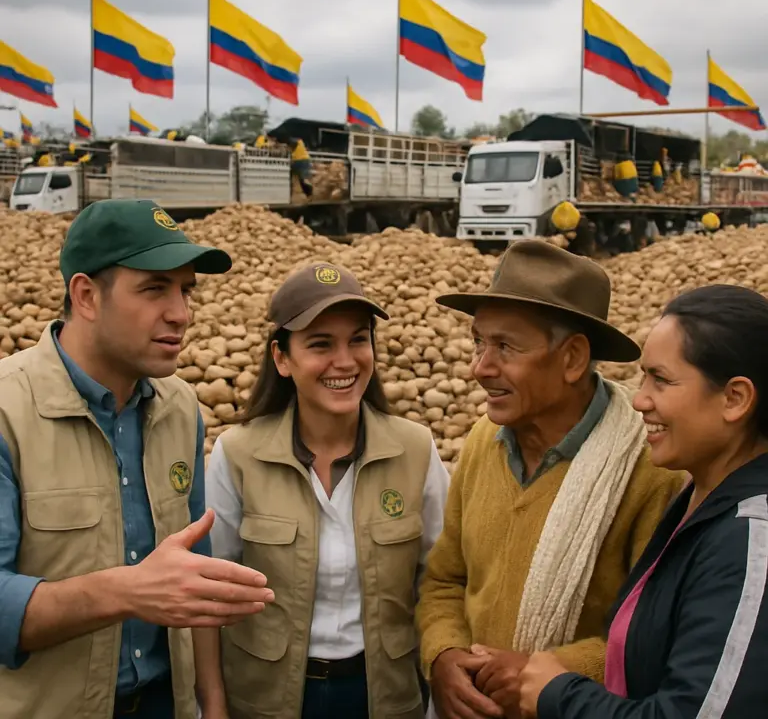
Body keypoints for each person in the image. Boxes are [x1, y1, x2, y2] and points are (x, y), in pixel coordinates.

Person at [0, 198, 275, 719]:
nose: (181, 312)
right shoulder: (7, 412)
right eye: (154, 289)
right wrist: (126, 592)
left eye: (186, 289)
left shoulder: (180, 408)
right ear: (86, 295)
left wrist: (211, 704)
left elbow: (194, 579)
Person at [416, 240, 684, 719]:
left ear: (573, 359)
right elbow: (445, 580)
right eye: (480, 341)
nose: (481, 367)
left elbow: (655, 637)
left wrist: (551, 673)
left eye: (505, 346)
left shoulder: (648, 472)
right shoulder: (483, 442)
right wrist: (444, 654)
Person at [205, 261, 451, 719]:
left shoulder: (416, 450)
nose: (344, 361)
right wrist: (213, 708)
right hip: (269, 699)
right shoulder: (237, 456)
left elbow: (441, 582)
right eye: (321, 344)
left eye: (358, 339)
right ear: (281, 358)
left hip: (384, 697)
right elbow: (209, 597)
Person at [518, 284, 768, 719]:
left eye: (662, 380)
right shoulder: (698, 498)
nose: (639, 400)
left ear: (735, 398)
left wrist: (558, 693)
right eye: (642, 377)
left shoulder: (749, 537)